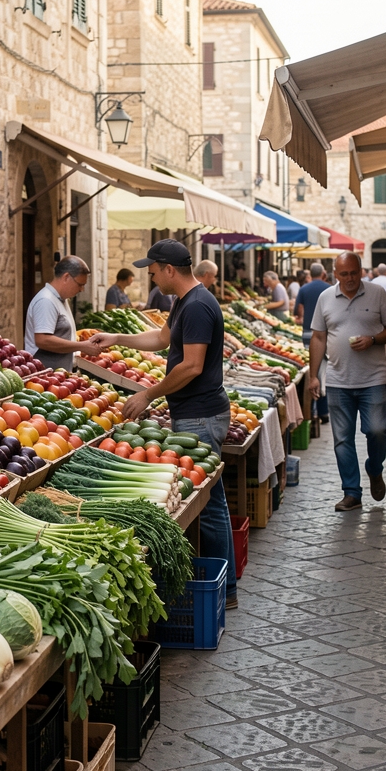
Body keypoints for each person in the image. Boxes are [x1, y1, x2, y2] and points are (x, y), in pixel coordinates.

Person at [86, 239, 238, 608]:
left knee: (211, 502)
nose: (150, 277)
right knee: (208, 499)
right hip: (194, 412)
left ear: (169, 270)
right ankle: (224, 585)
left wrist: (147, 394)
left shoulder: (199, 305)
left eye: (153, 270)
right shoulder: (185, 301)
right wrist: (117, 338)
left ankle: (226, 589)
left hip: (201, 415)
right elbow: (162, 338)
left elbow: (192, 365)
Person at [308, 251, 386, 511]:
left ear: (361, 270)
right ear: (335, 274)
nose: (350, 279)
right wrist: (314, 376)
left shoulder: (377, 293)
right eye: (344, 274)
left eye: (354, 273)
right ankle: (351, 492)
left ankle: (375, 467)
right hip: (338, 380)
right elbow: (318, 338)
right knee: (342, 440)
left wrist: (373, 340)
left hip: (373, 378)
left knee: (378, 429)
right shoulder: (325, 297)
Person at [24, 256, 104, 370]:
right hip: (45, 377)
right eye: (80, 284)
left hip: (57, 376)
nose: (82, 289)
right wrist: (82, 346)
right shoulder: (46, 301)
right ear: (66, 277)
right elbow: (43, 340)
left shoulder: (61, 299)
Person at [295, 262, 332, 424]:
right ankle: (323, 410)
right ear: (323, 273)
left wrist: (302, 317)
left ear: (310, 273)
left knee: (312, 369)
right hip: (326, 334)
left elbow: (298, 310)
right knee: (324, 371)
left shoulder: (304, 289)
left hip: (308, 333)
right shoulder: (330, 289)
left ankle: (312, 411)